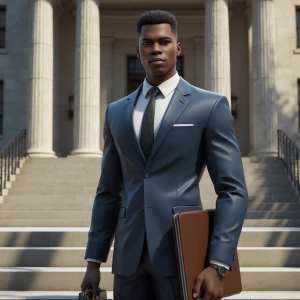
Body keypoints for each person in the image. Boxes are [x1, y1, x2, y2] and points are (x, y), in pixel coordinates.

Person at [81, 9, 248, 300]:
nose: (155, 48)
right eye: (147, 43)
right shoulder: (116, 112)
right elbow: (107, 192)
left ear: (177, 48)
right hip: (128, 260)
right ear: (138, 50)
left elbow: (233, 190)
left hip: (181, 253)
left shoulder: (208, 106)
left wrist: (219, 264)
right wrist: (94, 261)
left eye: (164, 41)